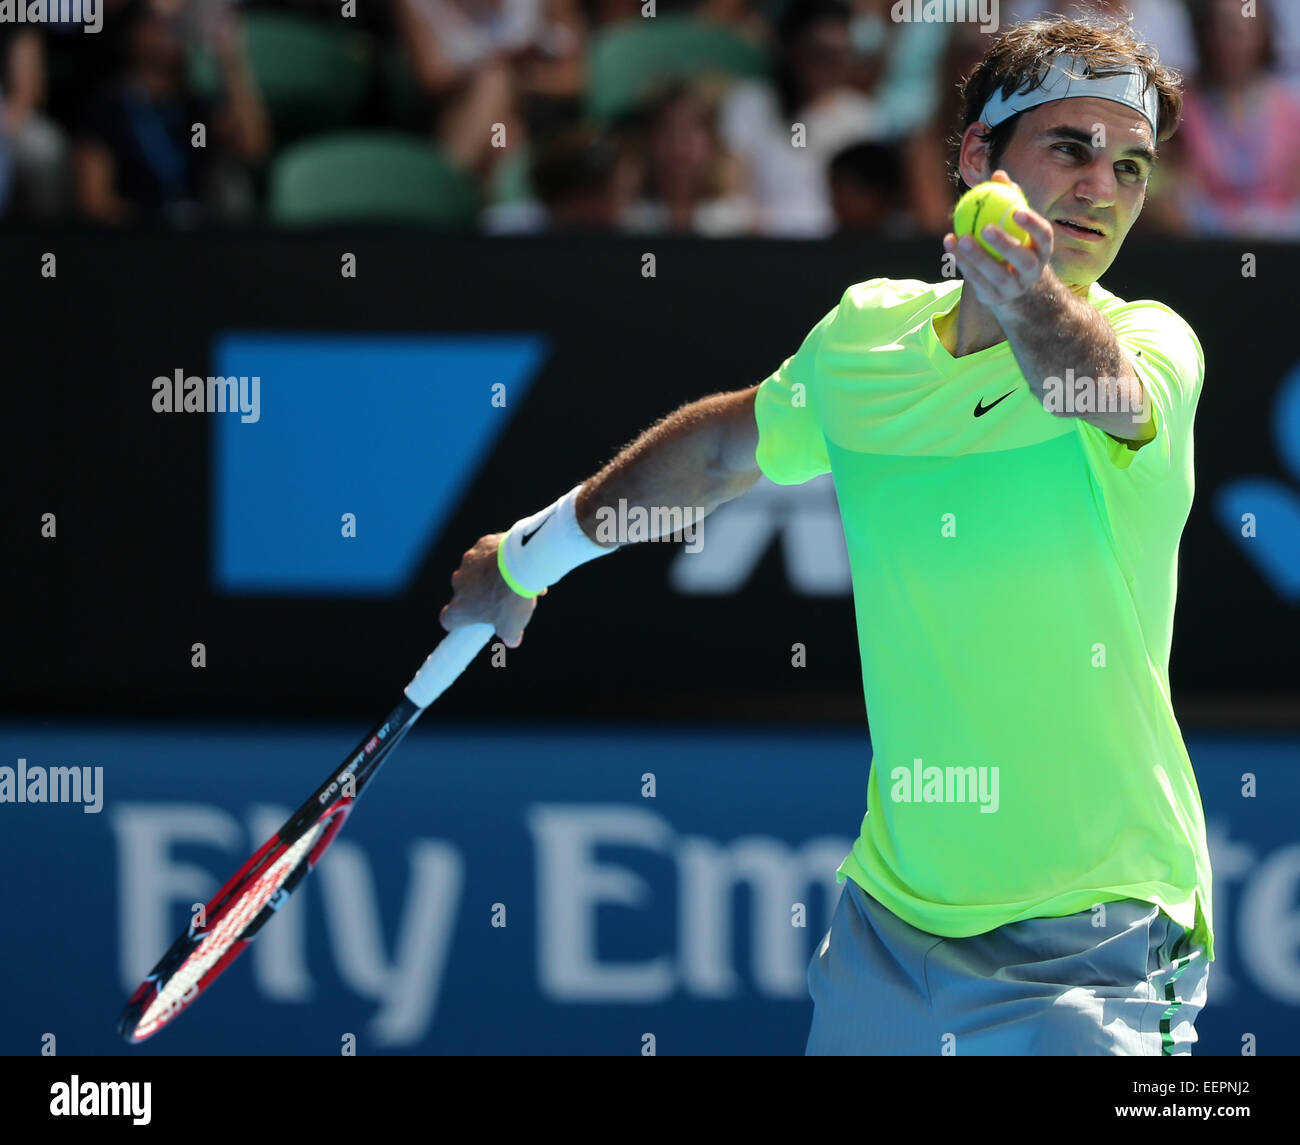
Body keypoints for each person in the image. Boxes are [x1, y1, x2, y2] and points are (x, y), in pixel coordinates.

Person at [438, 12, 1214, 1055]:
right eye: (1068, 148)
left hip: (1096, 934)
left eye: (1130, 165)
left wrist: (1024, 290)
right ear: (979, 155)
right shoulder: (866, 339)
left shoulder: (1148, 343)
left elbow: (1092, 387)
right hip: (887, 931)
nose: (1100, 188)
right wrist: (529, 557)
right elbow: (722, 449)